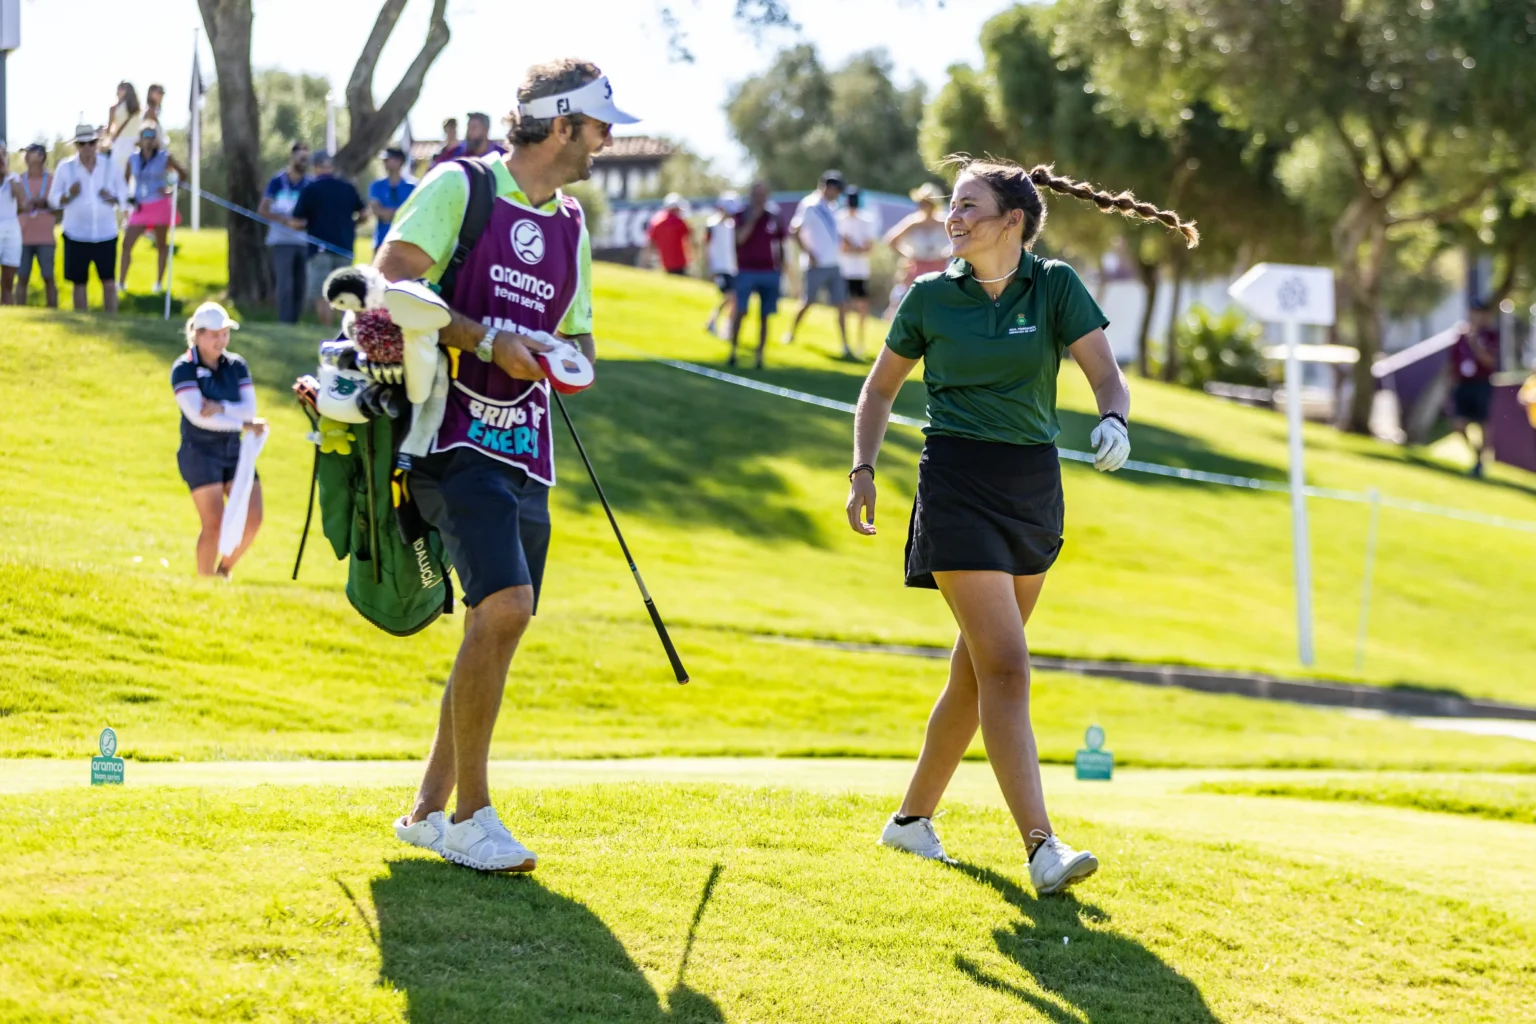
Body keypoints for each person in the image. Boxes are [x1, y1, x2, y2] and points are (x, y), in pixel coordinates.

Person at [846, 155, 1198, 896]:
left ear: (1013, 222)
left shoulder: (1057, 285)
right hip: (956, 482)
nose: (955, 216)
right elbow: (878, 392)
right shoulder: (928, 298)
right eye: (953, 204)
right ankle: (1041, 846)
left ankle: (911, 823)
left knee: (976, 673)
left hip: (1033, 486)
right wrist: (864, 471)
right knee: (1007, 665)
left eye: (971, 206)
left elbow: (1106, 374)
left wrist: (1115, 421)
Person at [375, 57, 635, 873]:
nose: (606, 141)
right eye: (599, 127)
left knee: (501, 620)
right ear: (561, 125)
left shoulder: (573, 225)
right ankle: (471, 816)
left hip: (527, 445)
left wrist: (559, 356)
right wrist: (488, 341)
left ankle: (425, 812)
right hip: (448, 434)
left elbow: (581, 339)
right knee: (507, 607)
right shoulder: (463, 186)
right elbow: (390, 281)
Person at [170, 301, 266, 578]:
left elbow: (249, 409)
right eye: (214, 334)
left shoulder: (236, 365)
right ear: (197, 335)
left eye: (224, 333)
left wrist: (222, 407)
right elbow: (199, 415)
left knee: (253, 517)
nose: (220, 340)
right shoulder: (184, 368)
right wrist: (243, 422)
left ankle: (223, 571)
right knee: (214, 523)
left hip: (234, 449)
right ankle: (203, 582)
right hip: (199, 451)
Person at [48, 123, 126, 313]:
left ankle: (112, 321)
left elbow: (125, 195)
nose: (87, 148)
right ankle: (82, 322)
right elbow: (53, 200)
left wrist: (113, 197)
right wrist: (69, 194)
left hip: (106, 233)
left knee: (108, 281)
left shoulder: (110, 165)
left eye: (91, 143)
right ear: (76, 146)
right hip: (76, 234)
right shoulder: (65, 168)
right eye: (82, 144)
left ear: (97, 143)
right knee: (79, 283)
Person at [288, 151, 366, 327]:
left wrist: (292, 223)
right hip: (345, 248)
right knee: (344, 293)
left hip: (318, 250)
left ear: (315, 167)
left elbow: (297, 221)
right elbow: (364, 214)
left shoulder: (310, 189)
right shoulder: (347, 187)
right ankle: (343, 330)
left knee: (322, 294)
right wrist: (352, 225)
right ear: (331, 166)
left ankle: (326, 329)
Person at [784, 169, 850, 356]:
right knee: (807, 302)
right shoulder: (810, 205)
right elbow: (795, 230)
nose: (836, 193)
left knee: (841, 304)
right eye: (835, 189)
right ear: (826, 187)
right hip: (816, 265)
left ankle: (845, 345)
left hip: (834, 264)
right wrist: (809, 253)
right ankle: (791, 333)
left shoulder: (834, 207)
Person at [119, 125, 187, 293]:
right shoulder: (133, 159)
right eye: (145, 136)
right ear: (140, 139)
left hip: (160, 205)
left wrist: (170, 190)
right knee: (127, 244)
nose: (148, 140)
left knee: (161, 245)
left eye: (151, 136)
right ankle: (120, 283)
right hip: (140, 206)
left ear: (156, 139)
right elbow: (124, 182)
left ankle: (158, 284)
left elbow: (183, 175)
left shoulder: (164, 157)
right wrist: (128, 199)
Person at [729, 181, 785, 369]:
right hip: (746, 270)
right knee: (741, 311)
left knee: (765, 316)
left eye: (763, 196)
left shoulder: (773, 217)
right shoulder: (740, 215)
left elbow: (781, 242)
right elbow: (739, 239)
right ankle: (733, 351)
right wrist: (753, 219)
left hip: (769, 272)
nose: (760, 200)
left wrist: (782, 268)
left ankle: (760, 357)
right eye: (757, 195)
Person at [259, 142, 313, 323]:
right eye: (301, 158)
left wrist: (304, 223)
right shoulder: (277, 182)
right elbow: (263, 209)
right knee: (285, 285)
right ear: (292, 157)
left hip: (304, 242)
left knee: (300, 286)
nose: (304, 162)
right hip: (281, 241)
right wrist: (285, 220)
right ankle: (284, 322)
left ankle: (295, 322)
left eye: (307, 159)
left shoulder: (310, 184)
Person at [1448, 302, 1500, 477]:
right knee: (1459, 425)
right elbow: (1453, 363)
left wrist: (1475, 344)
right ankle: (1476, 455)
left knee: (1482, 423)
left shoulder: (1490, 335)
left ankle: (1480, 462)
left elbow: (1490, 362)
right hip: (1463, 384)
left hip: (1481, 384)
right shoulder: (1461, 336)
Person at [885, 182, 951, 306]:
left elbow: (961, 239)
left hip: (938, 267)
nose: (924, 206)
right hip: (916, 267)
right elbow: (891, 240)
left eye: (928, 203)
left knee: (935, 302)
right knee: (913, 301)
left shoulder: (944, 222)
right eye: (922, 203)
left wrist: (948, 253)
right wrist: (908, 255)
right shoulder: (913, 222)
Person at [838, 186, 878, 359]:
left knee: (862, 306)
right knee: (844, 306)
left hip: (860, 272)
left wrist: (852, 246)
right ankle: (845, 343)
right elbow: (841, 247)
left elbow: (867, 247)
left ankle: (860, 342)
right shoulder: (839, 218)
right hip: (844, 270)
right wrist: (854, 247)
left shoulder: (866, 220)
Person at [17, 143, 59, 308]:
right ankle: (18, 312)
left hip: (45, 238)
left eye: (30, 153)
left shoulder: (52, 180)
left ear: (41, 156)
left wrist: (43, 203)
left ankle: (53, 311)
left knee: (48, 277)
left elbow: (59, 208)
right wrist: (23, 206)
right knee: (21, 277)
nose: (26, 156)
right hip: (22, 237)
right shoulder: (19, 180)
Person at [703, 191, 739, 337]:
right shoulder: (712, 224)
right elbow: (706, 246)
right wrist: (709, 267)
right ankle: (714, 321)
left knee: (733, 299)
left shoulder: (733, 226)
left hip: (732, 267)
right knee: (730, 296)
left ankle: (724, 327)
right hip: (718, 267)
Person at [368, 146, 416, 254]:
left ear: (399, 161)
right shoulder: (376, 186)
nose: (384, 163)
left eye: (387, 159)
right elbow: (377, 211)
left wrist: (388, 213)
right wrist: (399, 213)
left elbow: (413, 213)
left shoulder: (413, 187)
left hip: (405, 242)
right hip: (381, 241)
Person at [645, 193, 693, 275]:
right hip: (679, 263)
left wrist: (646, 261)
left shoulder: (656, 221)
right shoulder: (680, 222)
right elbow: (690, 239)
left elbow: (650, 242)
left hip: (662, 263)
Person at [0, 142, 23, 304]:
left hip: (11, 232)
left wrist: (6, 173)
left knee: (8, 282)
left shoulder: (13, 178)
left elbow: (22, 201)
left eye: (3, 154)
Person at [106, 81, 143, 176]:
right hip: (135, 145)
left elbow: (108, 132)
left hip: (120, 145)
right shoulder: (138, 109)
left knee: (117, 176)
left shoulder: (114, 108)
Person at [438, 112, 505, 161]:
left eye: (473, 128)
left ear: (485, 130)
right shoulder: (459, 154)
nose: (469, 132)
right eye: (468, 127)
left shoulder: (501, 155)